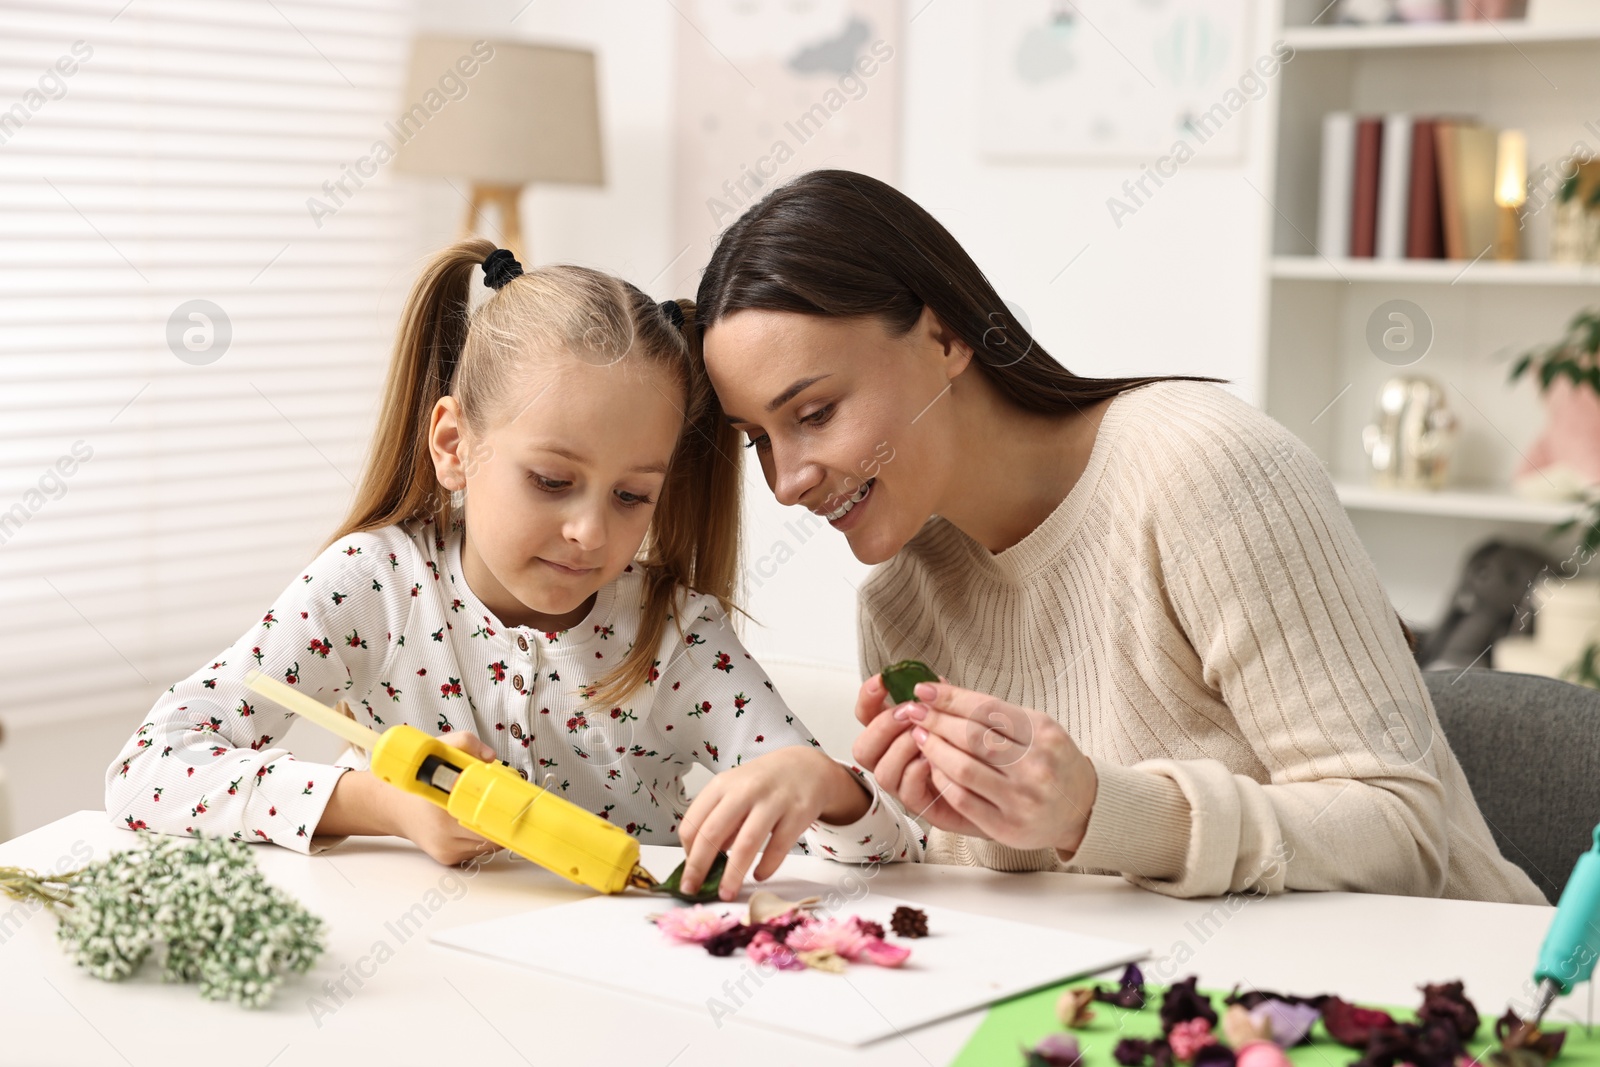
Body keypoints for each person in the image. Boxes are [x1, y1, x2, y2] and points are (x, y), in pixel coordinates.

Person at [693, 169, 1545, 905]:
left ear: (945, 337)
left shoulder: (1202, 470)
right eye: (759, 439)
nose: (787, 479)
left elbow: (1402, 832)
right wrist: (889, 810)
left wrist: (1096, 808)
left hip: (1454, 1001)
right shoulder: (903, 602)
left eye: (814, 413)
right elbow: (1016, 896)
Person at [104, 239, 921, 900]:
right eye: (552, 481)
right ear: (455, 446)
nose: (589, 532)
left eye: (633, 495)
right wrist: (382, 806)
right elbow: (148, 768)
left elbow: (890, 856)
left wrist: (824, 781)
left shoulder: (678, 639)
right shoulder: (375, 587)